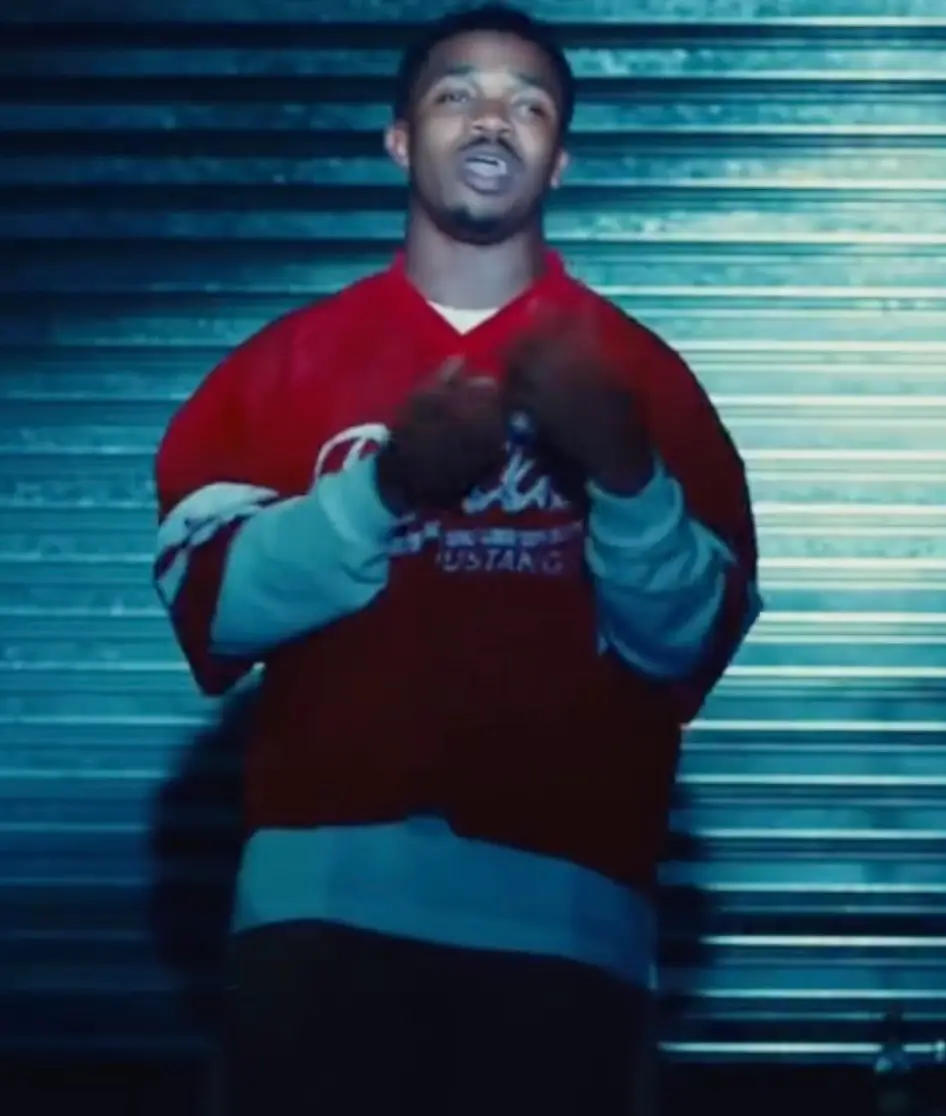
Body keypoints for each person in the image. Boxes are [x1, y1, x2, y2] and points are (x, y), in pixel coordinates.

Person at [152, 6, 760, 1114]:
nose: (493, 118)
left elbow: (689, 639)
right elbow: (213, 607)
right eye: (457, 94)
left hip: (568, 925)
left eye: (529, 103)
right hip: (318, 919)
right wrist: (387, 487)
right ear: (399, 140)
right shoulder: (286, 366)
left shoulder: (641, 377)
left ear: (560, 157)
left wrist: (626, 473)